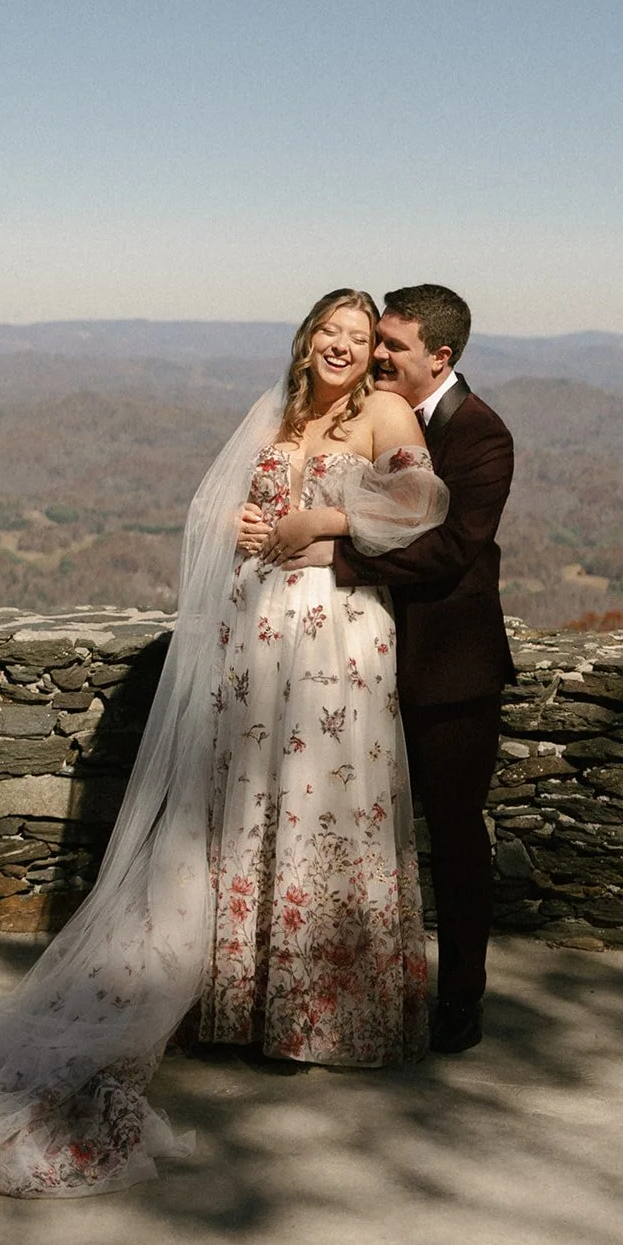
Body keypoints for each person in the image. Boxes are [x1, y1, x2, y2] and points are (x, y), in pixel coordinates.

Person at [0, 288, 447, 1196]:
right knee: (243, 812)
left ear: (375, 351)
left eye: (358, 336)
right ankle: (242, 1009)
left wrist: (319, 527)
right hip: (256, 638)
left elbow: (419, 502)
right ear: (305, 341)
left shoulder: (382, 409)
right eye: (327, 331)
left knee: (323, 807)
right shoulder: (276, 416)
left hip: (337, 642)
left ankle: (324, 1017)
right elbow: (216, 520)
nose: (341, 346)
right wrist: (249, 530)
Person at [257, 285, 514, 1054]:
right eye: (375, 342)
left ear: (440, 357)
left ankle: (461, 997)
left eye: (391, 347)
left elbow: (448, 550)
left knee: (454, 832)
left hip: (444, 668)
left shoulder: (480, 435)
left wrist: (326, 549)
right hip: (344, 658)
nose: (375, 357)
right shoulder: (352, 413)